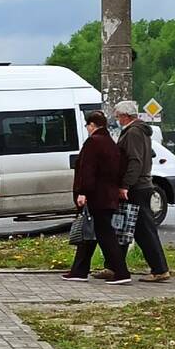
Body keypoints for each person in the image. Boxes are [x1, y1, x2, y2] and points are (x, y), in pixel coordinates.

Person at [102, 100, 170, 282]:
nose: (117, 119)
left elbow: (135, 161)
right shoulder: (140, 131)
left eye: (117, 116)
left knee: (143, 230)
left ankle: (159, 269)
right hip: (140, 185)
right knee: (123, 226)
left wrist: (125, 185)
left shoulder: (133, 133)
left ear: (125, 116)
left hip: (136, 187)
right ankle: (114, 266)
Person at [62, 111, 131, 285]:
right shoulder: (110, 142)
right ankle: (79, 270)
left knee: (104, 234)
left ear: (92, 125)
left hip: (96, 196)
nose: (87, 128)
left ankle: (121, 272)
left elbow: (88, 169)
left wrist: (83, 192)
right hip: (109, 195)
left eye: (87, 125)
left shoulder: (93, 142)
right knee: (90, 232)